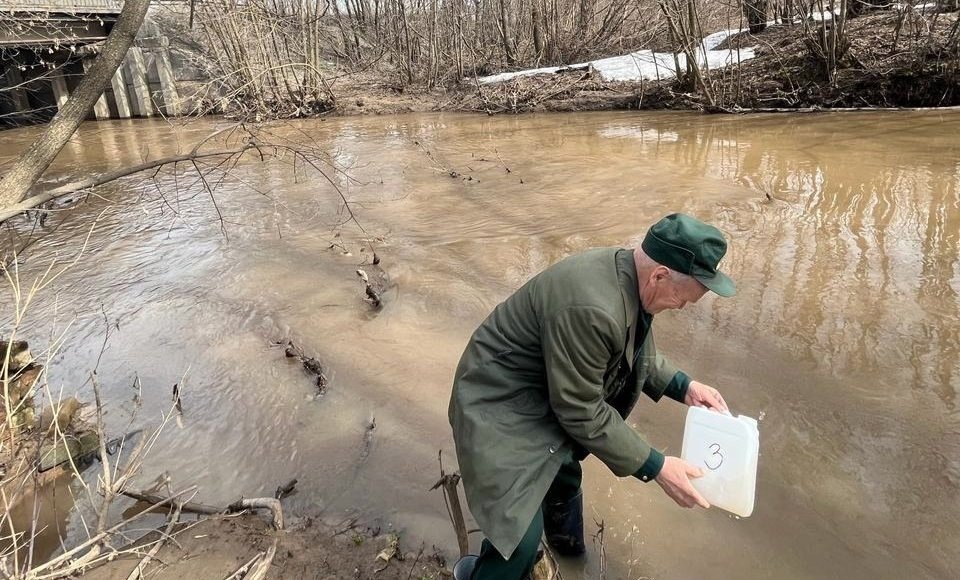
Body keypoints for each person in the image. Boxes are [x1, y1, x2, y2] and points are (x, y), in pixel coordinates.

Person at [448, 213, 737, 580]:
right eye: (683, 299)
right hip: (496, 400)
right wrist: (656, 466)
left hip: (542, 389)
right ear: (660, 275)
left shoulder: (629, 277)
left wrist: (684, 386)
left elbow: (635, 347)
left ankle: (571, 562)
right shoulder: (594, 308)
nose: (682, 307)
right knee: (517, 538)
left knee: (564, 475)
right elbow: (581, 411)